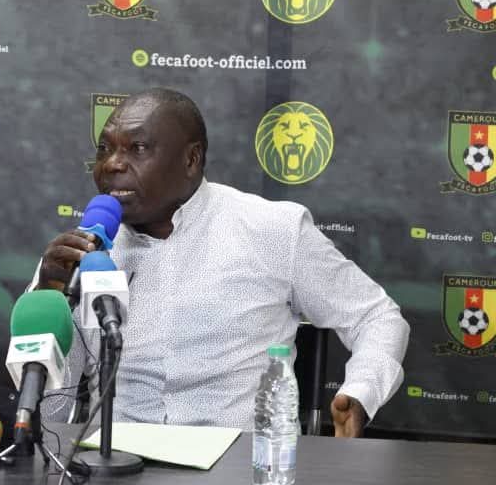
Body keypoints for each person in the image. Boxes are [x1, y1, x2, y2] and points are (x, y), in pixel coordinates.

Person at [37, 88, 408, 437]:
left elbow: (375, 317)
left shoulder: (273, 229)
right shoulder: (80, 255)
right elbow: (51, 406)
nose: (112, 164)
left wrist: (360, 393)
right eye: (104, 149)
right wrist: (49, 296)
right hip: (115, 459)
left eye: (137, 148)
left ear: (191, 159)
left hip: (240, 464)